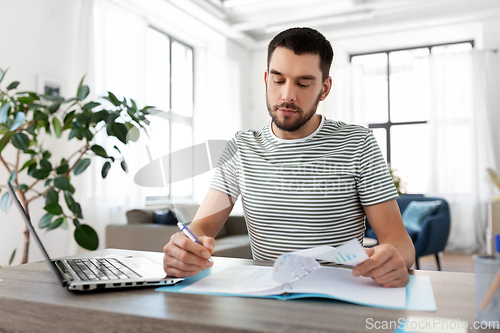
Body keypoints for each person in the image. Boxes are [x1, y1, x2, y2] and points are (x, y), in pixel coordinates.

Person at [163, 27, 415, 288]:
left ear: (324, 88)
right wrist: (184, 249)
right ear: (266, 79)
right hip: (267, 295)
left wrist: (397, 258)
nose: (287, 96)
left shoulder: (357, 143)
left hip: (342, 294)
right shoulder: (242, 146)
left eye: (303, 83)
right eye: (278, 80)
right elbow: (202, 227)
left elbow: (396, 237)